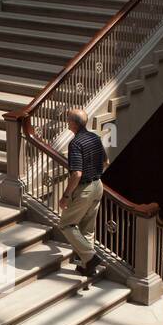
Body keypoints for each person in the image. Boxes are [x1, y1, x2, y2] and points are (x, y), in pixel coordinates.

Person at [57, 107, 106, 279]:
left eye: (68, 119)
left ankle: (90, 258)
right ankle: (87, 267)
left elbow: (76, 173)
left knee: (66, 224)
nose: (67, 122)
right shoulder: (94, 137)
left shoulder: (76, 143)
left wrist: (66, 195)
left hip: (84, 189)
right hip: (98, 185)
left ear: (73, 124)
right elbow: (106, 160)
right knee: (87, 228)